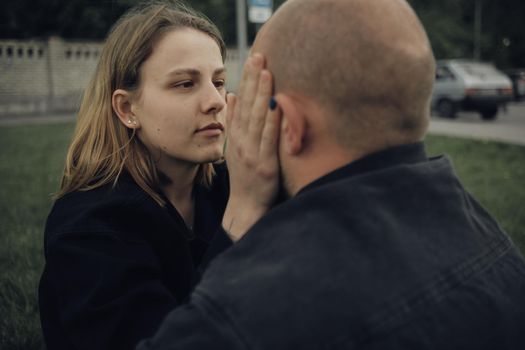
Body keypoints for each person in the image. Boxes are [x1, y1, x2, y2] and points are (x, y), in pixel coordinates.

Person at [137, 0, 525, 349]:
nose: (220, 103)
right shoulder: (500, 249)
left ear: (287, 123)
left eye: (237, 90)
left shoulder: (243, 315)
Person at [38, 2, 235, 349]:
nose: (215, 100)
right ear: (128, 109)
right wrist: (244, 214)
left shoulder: (229, 184)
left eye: (219, 82)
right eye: (186, 84)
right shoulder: (89, 229)